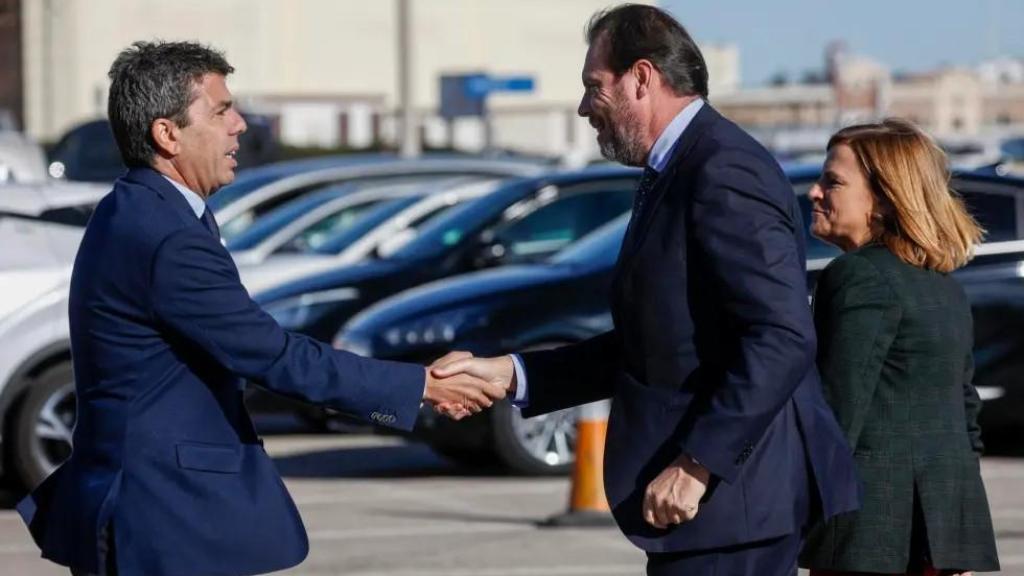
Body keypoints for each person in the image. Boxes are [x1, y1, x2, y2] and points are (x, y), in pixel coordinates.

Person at [16, 41, 504, 576]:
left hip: (150, 506)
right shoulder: (163, 233)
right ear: (167, 133)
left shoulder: (144, 211)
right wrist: (422, 388)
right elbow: (271, 354)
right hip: (163, 517)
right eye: (222, 111)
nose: (240, 126)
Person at [431, 5, 860, 575]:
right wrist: (511, 374)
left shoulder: (722, 169)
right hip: (700, 514)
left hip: (731, 505)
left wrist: (699, 463)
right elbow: (652, 342)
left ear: (641, 77)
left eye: (593, 86)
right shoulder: (675, 169)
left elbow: (780, 335)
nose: (585, 107)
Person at [798, 119, 1000, 576]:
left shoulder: (857, 276)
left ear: (884, 200)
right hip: (940, 535)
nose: (814, 192)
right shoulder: (943, 286)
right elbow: (963, 416)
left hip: (871, 538)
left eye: (833, 181)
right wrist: (957, 541)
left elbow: (835, 414)